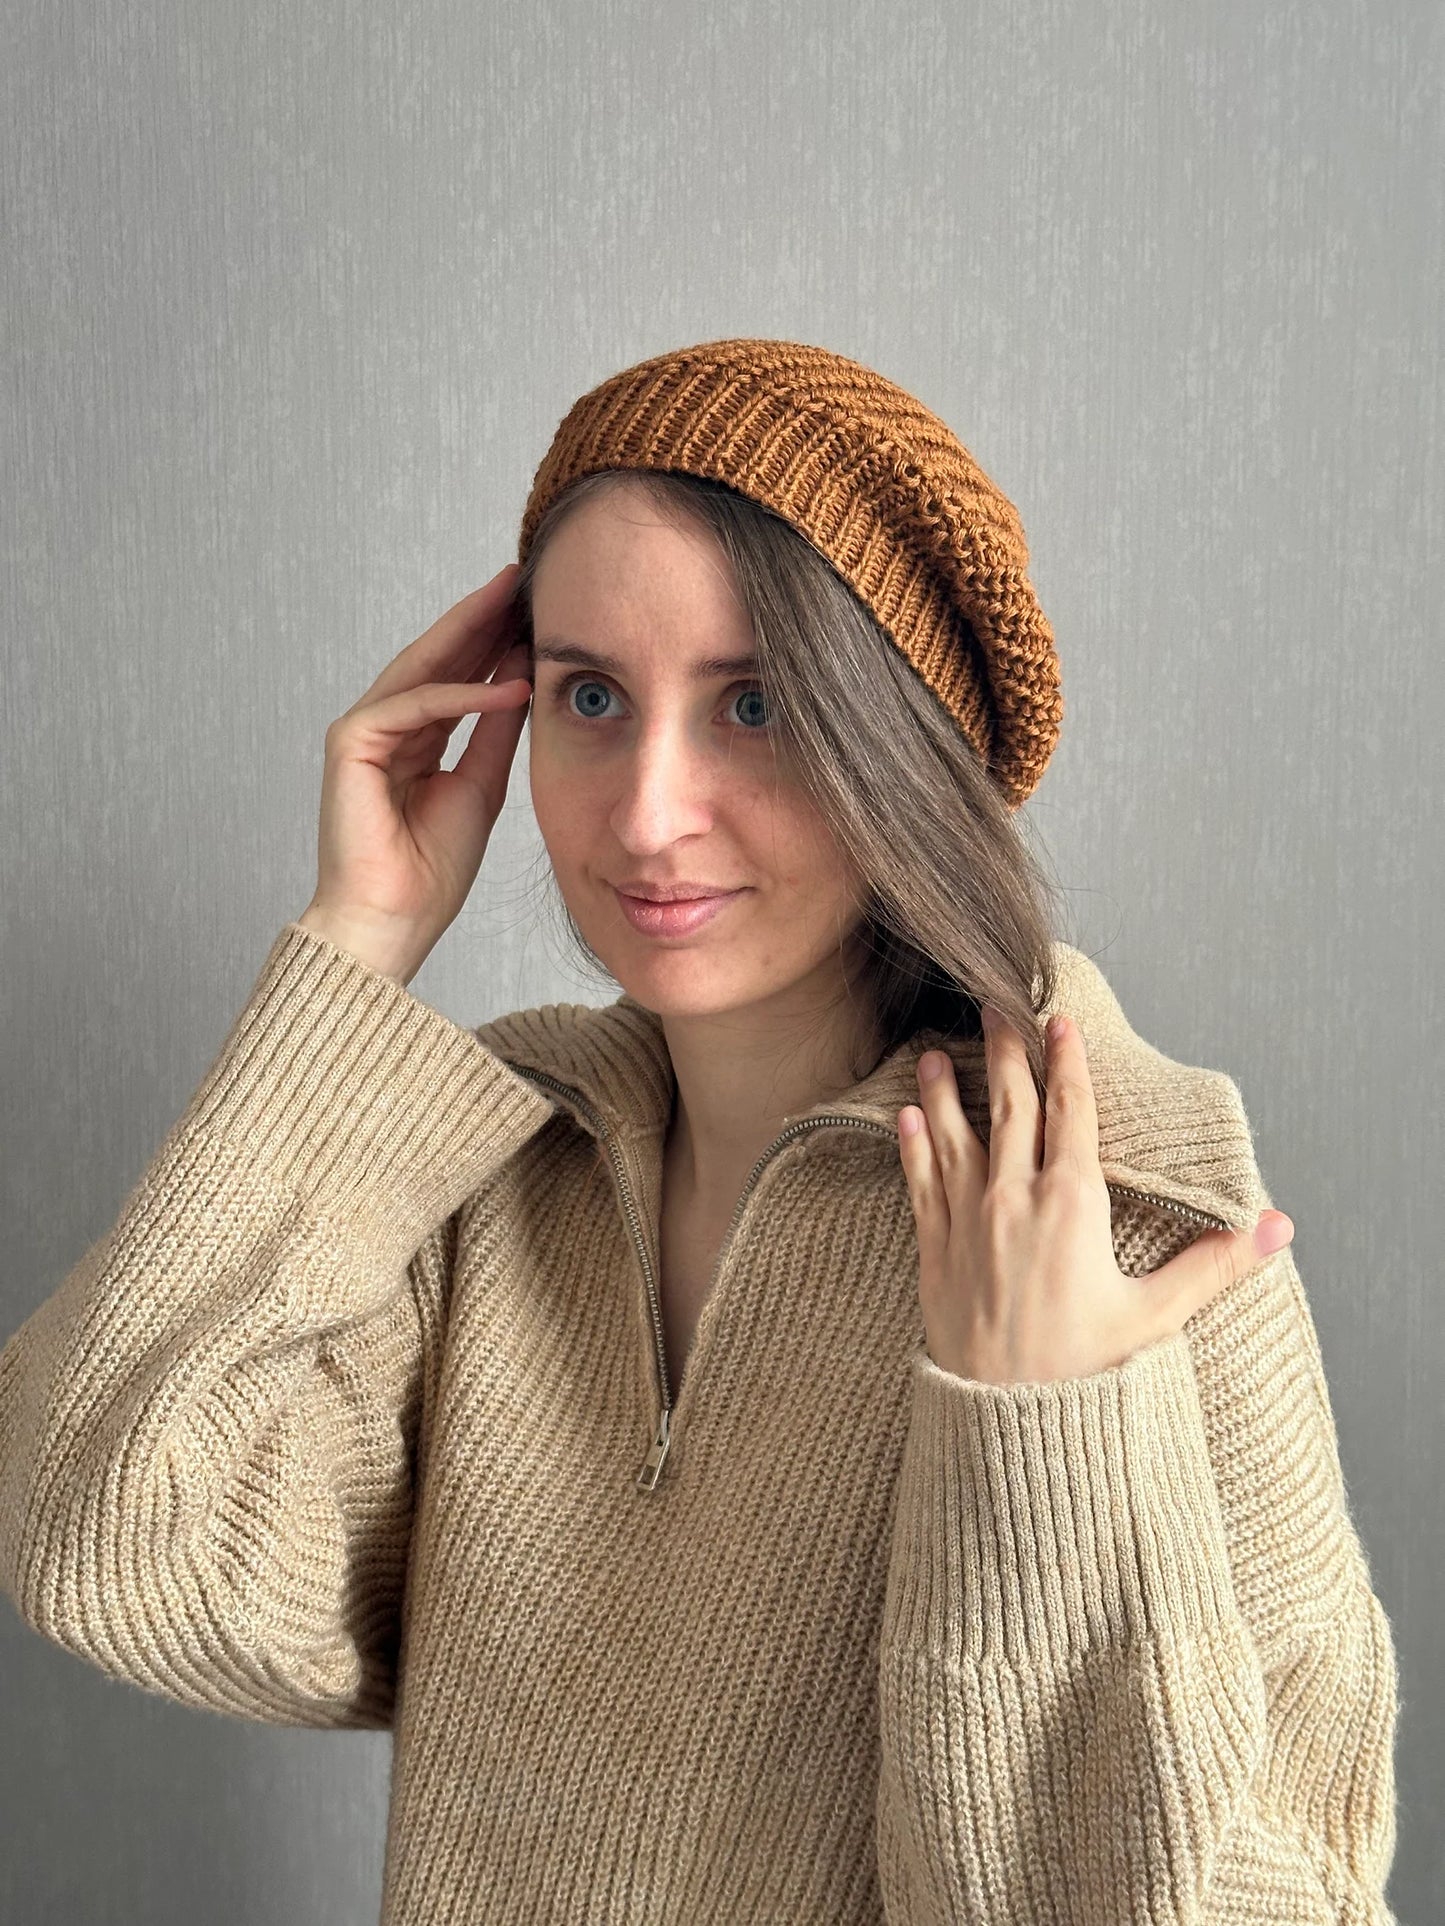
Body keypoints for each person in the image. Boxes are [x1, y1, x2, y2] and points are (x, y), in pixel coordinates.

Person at [0, 338, 1401, 1923]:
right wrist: (356, 946)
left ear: (903, 741)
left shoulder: (1136, 1218)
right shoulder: (495, 1173)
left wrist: (1040, 1431)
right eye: (591, 695)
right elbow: (106, 1536)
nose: (648, 808)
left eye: (754, 702)